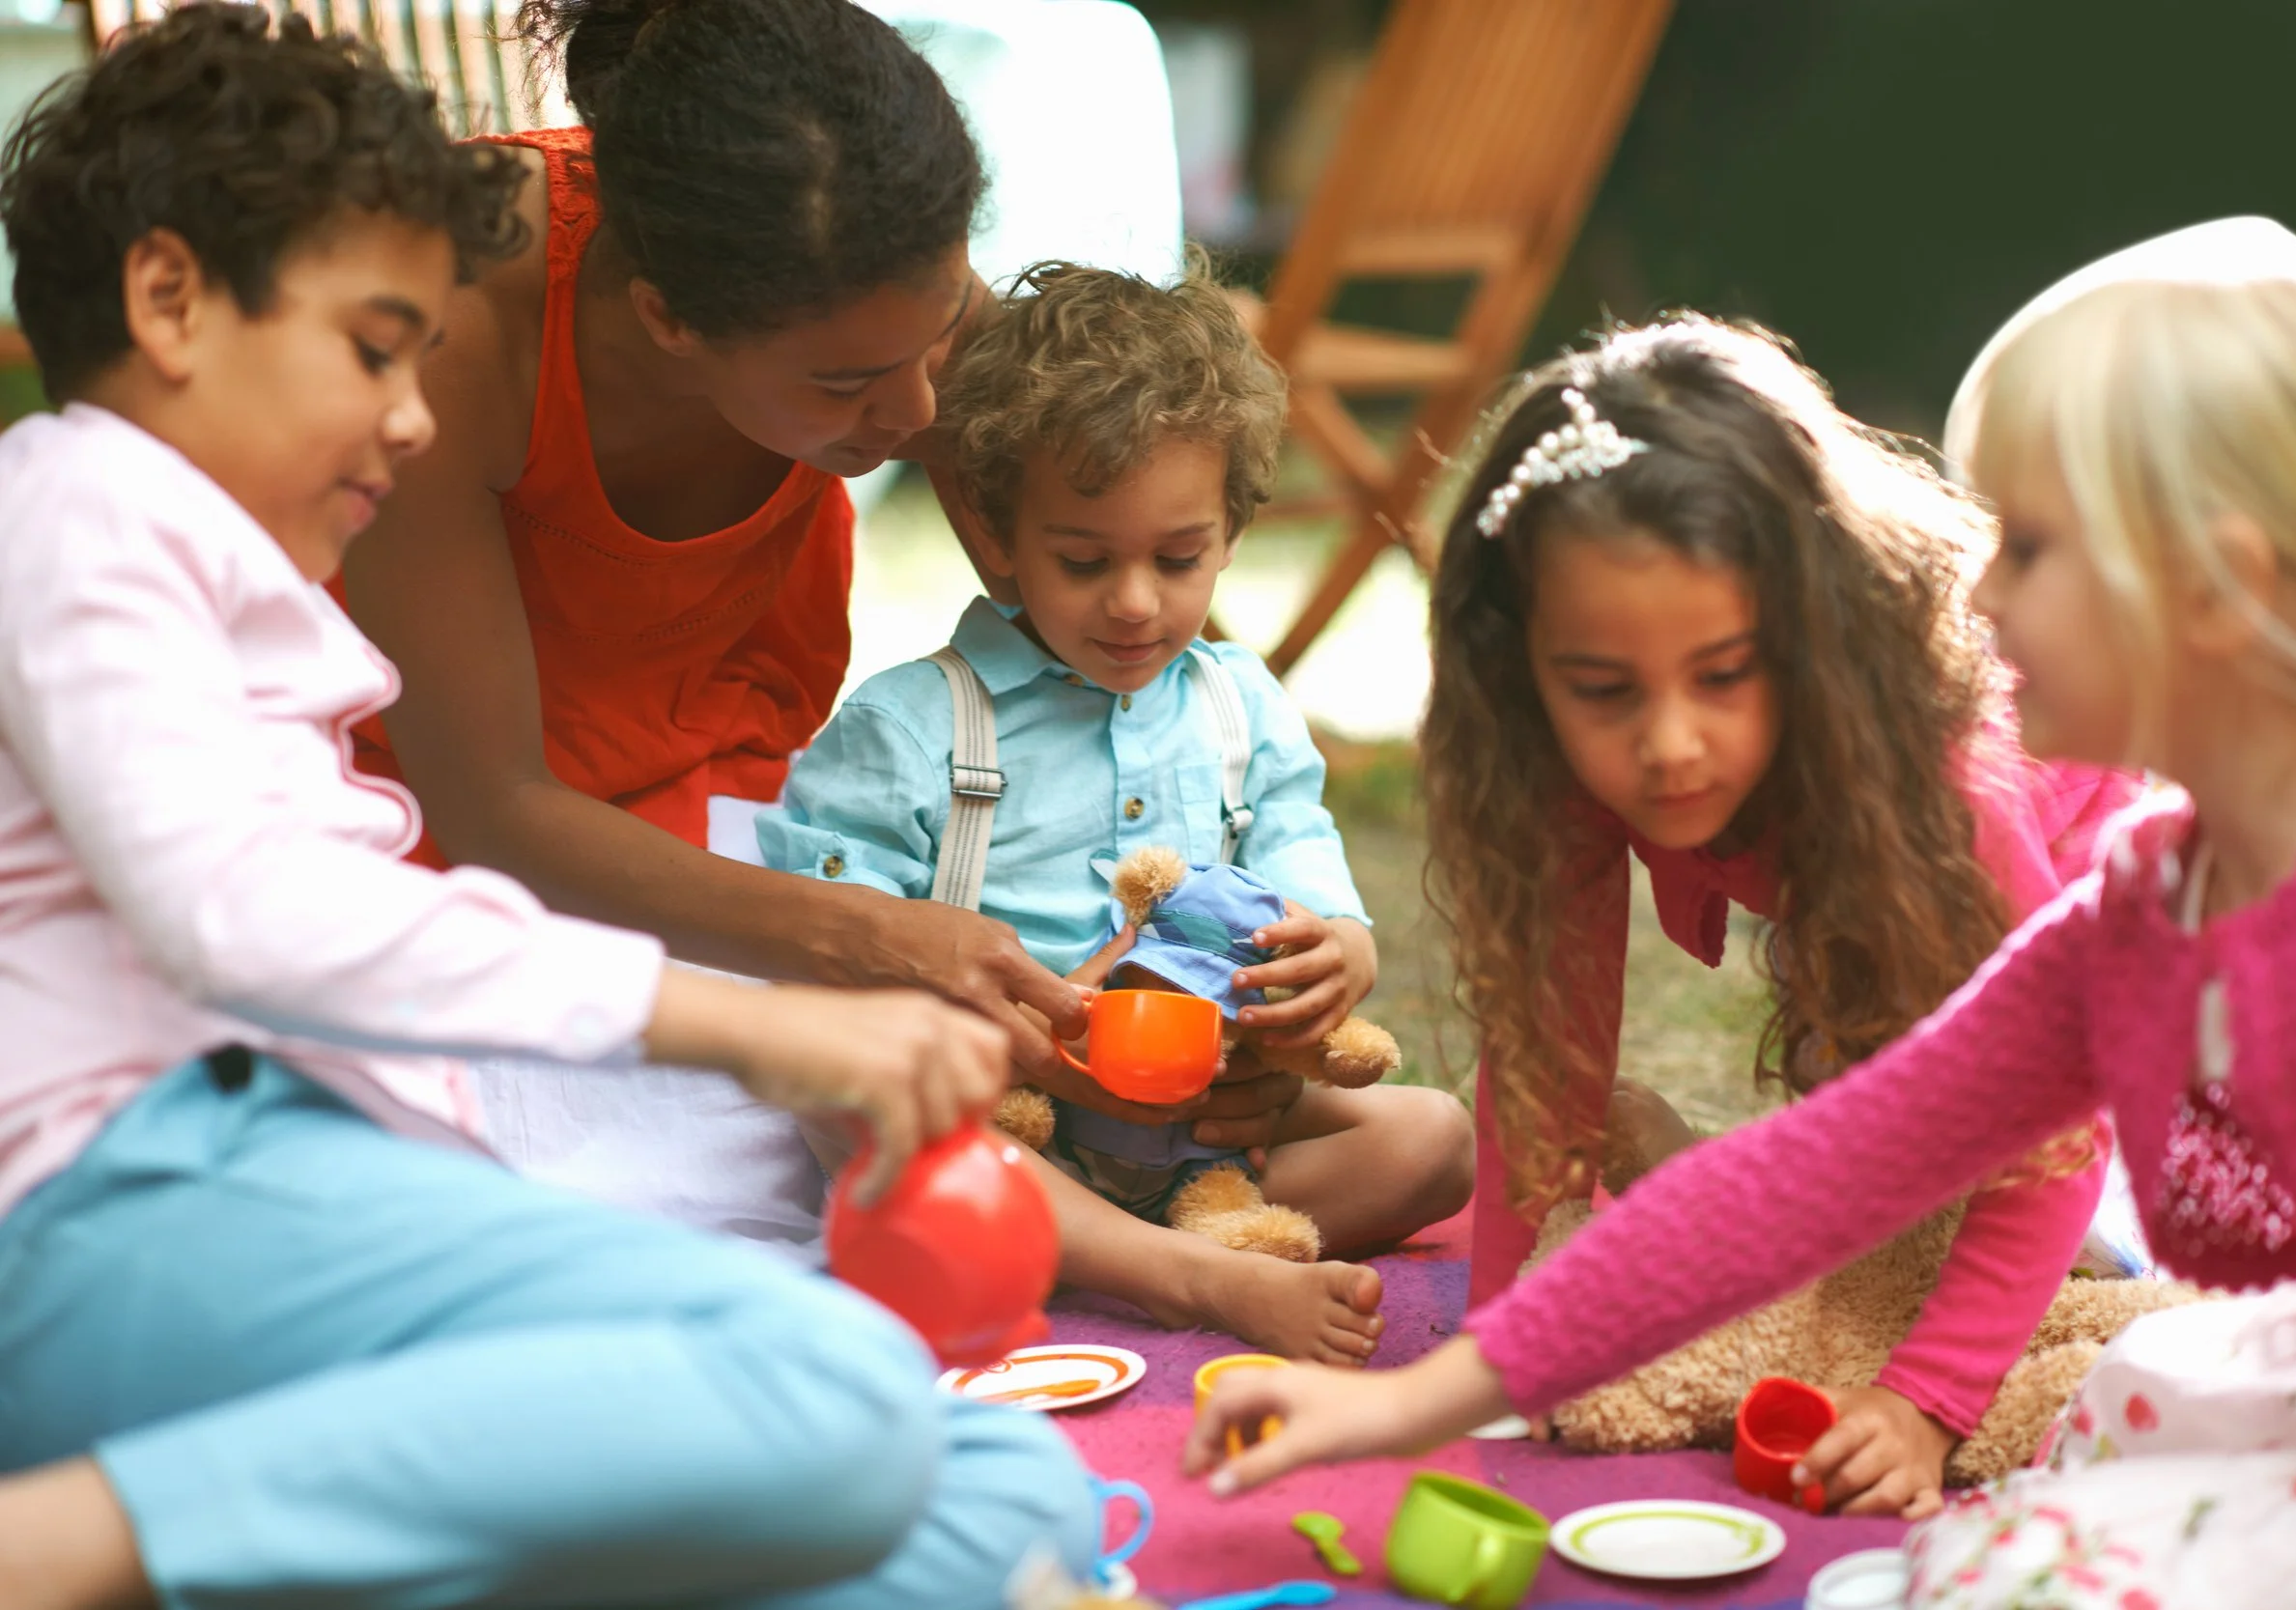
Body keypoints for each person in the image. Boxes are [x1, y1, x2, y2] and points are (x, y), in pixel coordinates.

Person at [0, 12, 1098, 1605]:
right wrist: (768, 1028)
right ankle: (64, 1546)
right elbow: (241, 913)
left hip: (304, 1166)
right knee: (839, 1392)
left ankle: (241, 1550)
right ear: (169, 298)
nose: (415, 414)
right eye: (377, 350)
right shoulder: (80, 499)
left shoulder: (217, 566)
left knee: (996, 1486)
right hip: (109, 1202)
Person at [1186, 219, 2296, 1609]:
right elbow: (1812, 1173)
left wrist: (1934, 1390)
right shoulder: (2144, 899)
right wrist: (1417, 1401)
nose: (1975, 590)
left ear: (2221, 583)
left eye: (2033, 545)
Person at [336, 0, 1302, 1256]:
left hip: (743, 832)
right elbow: (491, 809)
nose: (916, 411)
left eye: (943, 323)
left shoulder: (868, 268)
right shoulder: (455, 319)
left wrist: (1223, 972)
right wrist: (867, 936)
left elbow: (1133, 622)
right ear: (667, 319)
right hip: (453, 862)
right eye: (844, 385)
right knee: (584, 1211)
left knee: (884, 1127)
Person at [1413, 314, 2136, 1515]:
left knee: (2114, 1199)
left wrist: (1925, 1400)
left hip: (2119, 955)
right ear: (1519, 668)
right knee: (1879, 1150)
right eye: (1602, 690)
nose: (1667, 743)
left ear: (1814, 634)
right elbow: (1546, 1050)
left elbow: (2056, 1108)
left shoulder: (1951, 783)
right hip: (1886, 901)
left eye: (1723, 673)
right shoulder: (1557, 755)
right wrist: (1495, 1344)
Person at [758, 262, 1474, 1364]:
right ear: (1000, 534)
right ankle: (1187, 1270)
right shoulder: (913, 725)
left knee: (1435, 1139)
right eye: (1083, 559)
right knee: (862, 1114)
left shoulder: (1241, 705)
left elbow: (1300, 860)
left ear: (1232, 529)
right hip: (1000, 1118)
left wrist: (1338, 956)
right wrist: (980, 1040)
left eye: (1178, 557)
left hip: (1205, 1119)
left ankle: (1116, 1236)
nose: (1135, 600)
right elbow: (828, 946)